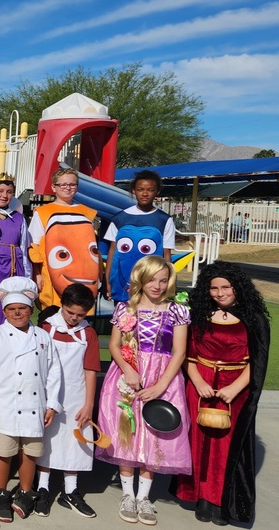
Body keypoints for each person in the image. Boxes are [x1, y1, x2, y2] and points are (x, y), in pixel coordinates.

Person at [96, 256, 191, 526]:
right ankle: (127, 495)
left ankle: (144, 497)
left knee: (154, 433)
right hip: (129, 373)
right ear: (141, 278)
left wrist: (161, 385)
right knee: (126, 429)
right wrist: (128, 370)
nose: (157, 285)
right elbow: (115, 345)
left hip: (164, 376)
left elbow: (180, 350)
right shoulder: (125, 308)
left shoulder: (177, 310)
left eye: (163, 280)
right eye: (152, 279)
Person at [174, 262, 270, 525]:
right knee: (200, 442)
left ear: (237, 287)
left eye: (225, 287)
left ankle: (220, 500)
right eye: (213, 288)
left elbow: (257, 363)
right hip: (201, 384)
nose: (219, 292)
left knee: (226, 446)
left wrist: (234, 388)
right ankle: (201, 497)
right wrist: (198, 383)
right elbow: (188, 355)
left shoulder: (254, 319)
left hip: (234, 389)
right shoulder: (198, 316)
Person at [0, 276, 62, 524]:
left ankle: (24, 491)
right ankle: (0, 493)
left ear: (31, 310)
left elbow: (53, 372)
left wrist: (52, 403)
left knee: (30, 452)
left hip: (35, 406)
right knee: (3, 452)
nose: (17, 313)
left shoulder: (43, 337)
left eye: (22, 309)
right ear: (4, 312)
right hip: (5, 406)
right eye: (12, 309)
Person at [34, 284, 100, 519]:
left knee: (75, 441)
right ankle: (43, 487)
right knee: (47, 439)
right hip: (48, 396)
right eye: (70, 312)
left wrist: (89, 404)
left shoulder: (88, 334)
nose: (74, 318)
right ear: (61, 305)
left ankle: (70, 490)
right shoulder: (45, 328)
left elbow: (90, 370)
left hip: (76, 397)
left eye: (80, 315)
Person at [28, 167, 100, 308]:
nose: (68, 188)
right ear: (54, 187)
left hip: (83, 274)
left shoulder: (87, 213)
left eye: (72, 184)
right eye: (63, 184)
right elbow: (33, 246)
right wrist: (37, 274)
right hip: (52, 272)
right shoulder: (43, 213)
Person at [104, 170, 175, 304]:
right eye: (140, 189)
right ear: (133, 191)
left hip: (151, 281)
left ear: (157, 192)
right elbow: (112, 251)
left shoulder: (164, 220)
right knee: (123, 321)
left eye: (150, 190)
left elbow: (167, 254)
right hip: (122, 281)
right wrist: (107, 280)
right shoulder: (119, 218)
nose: (145, 193)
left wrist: (168, 283)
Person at [0, 173, 32, 335]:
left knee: (15, 306)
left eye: (9, 192)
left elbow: (24, 248)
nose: (4, 195)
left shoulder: (19, 218)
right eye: (0, 191)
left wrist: (27, 277)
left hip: (15, 269)